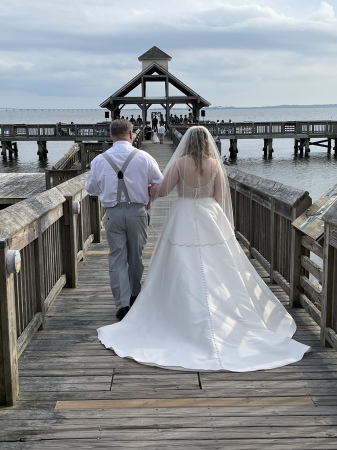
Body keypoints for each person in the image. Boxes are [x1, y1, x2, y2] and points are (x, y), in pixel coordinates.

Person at [97, 126, 310, 372]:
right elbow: (219, 196)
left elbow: (163, 190)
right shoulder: (215, 165)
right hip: (209, 215)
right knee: (217, 263)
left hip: (183, 214)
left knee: (181, 262)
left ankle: (179, 310)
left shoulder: (179, 164)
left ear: (187, 142)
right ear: (207, 142)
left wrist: (148, 191)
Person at [85, 119, 163, 321]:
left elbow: (91, 189)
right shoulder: (144, 157)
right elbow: (160, 183)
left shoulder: (100, 160)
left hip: (113, 213)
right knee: (135, 257)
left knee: (117, 258)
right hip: (137, 212)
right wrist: (149, 195)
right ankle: (135, 295)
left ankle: (122, 305)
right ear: (131, 135)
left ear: (111, 136)